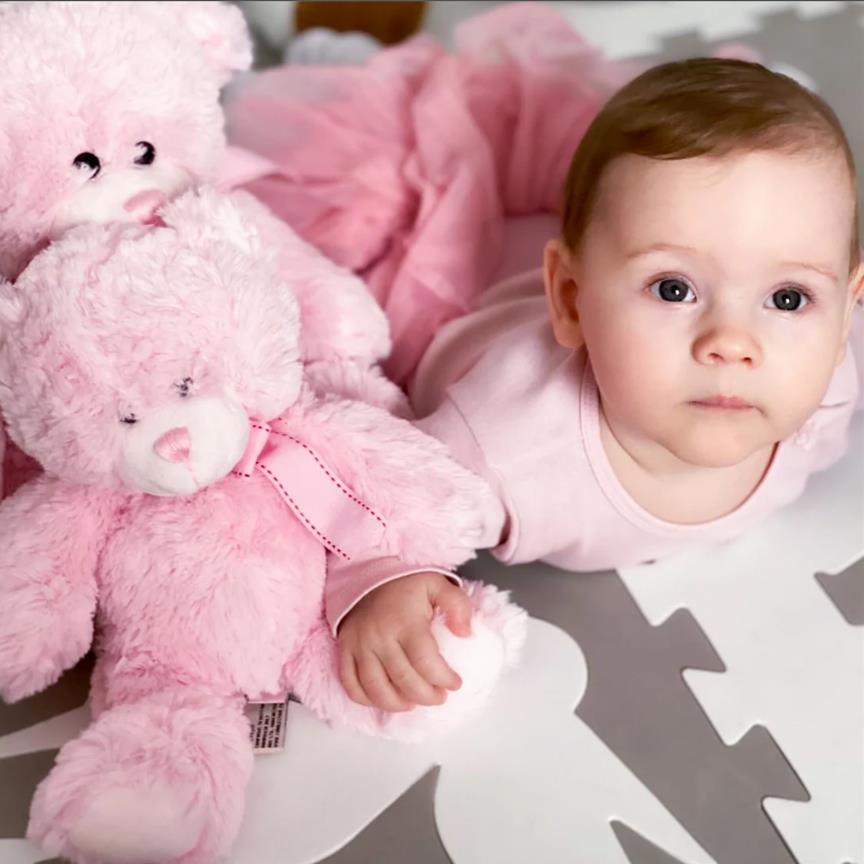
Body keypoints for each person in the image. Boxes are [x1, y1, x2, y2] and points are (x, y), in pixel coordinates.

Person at [330, 57, 864, 714]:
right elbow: (375, 499)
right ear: (569, 299)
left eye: (788, 298)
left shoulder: (833, 380)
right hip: (447, 307)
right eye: (673, 289)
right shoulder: (505, 447)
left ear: (846, 311)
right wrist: (382, 580)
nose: (732, 343)